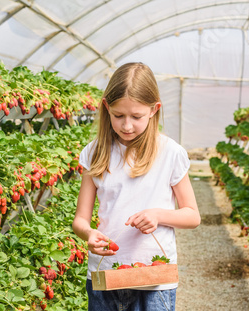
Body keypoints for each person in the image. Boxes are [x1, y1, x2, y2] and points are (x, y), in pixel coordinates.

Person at [72, 62, 201, 311]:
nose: (127, 125)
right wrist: (89, 235)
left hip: (155, 277)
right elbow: (80, 220)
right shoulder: (95, 152)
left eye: (136, 116)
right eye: (118, 115)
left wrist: (158, 215)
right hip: (106, 273)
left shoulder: (170, 153)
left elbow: (192, 216)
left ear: (154, 110)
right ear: (106, 107)